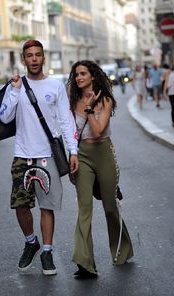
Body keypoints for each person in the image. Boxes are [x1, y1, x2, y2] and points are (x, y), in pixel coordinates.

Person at [0, 40, 79, 276]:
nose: (34, 59)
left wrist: (73, 151)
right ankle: (31, 241)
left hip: (48, 155)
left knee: (47, 206)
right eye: (29, 56)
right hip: (22, 155)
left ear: (44, 58)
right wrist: (13, 91)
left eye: (38, 55)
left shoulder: (55, 86)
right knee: (21, 205)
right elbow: (4, 118)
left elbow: (66, 120)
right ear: (24, 60)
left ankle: (46, 251)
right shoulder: (15, 87)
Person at [66, 60, 134, 279]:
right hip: (82, 156)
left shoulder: (104, 99)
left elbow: (97, 131)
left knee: (110, 207)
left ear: (93, 76)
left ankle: (122, 250)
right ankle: (85, 263)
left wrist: (89, 110)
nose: (79, 77)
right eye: (76, 74)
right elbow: (71, 132)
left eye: (83, 73)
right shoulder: (72, 101)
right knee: (84, 208)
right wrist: (72, 154)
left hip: (103, 153)